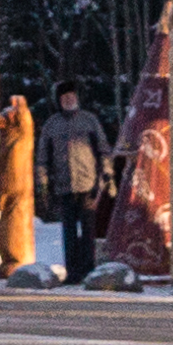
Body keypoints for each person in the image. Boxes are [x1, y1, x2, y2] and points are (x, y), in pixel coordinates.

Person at [38, 81, 112, 279]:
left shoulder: (89, 121)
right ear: (59, 101)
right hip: (63, 186)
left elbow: (104, 150)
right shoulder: (51, 125)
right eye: (64, 98)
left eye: (71, 97)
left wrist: (105, 175)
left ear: (77, 98)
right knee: (68, 232)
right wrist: (43, 183)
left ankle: (88, 271)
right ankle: (72, 272)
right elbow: (43, 157)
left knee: (88, 230)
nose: (68, 100)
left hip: (88, 184)